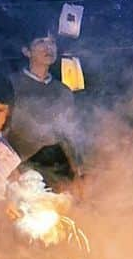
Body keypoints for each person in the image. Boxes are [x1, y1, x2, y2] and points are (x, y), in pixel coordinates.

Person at [7, 31, 82, 185]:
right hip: (19, 169)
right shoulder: (12, 85)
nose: (49, 47)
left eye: (52, 42)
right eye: (41, 41)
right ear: (26, 51)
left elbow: (69, 136)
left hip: (57, 171)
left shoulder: (63, 91)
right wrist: (9, 167)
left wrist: (76, 172)